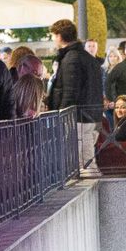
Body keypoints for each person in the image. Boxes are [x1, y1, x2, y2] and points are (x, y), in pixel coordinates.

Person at [47, 18, 103, 156]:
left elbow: (70, 91)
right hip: (89, 115)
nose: (53, 39)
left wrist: (62, 114)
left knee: (77, 158)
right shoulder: (86, 57)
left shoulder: (71, 58)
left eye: (54, 36)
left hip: (76, 118)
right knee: (86, 158)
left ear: (59, 36)